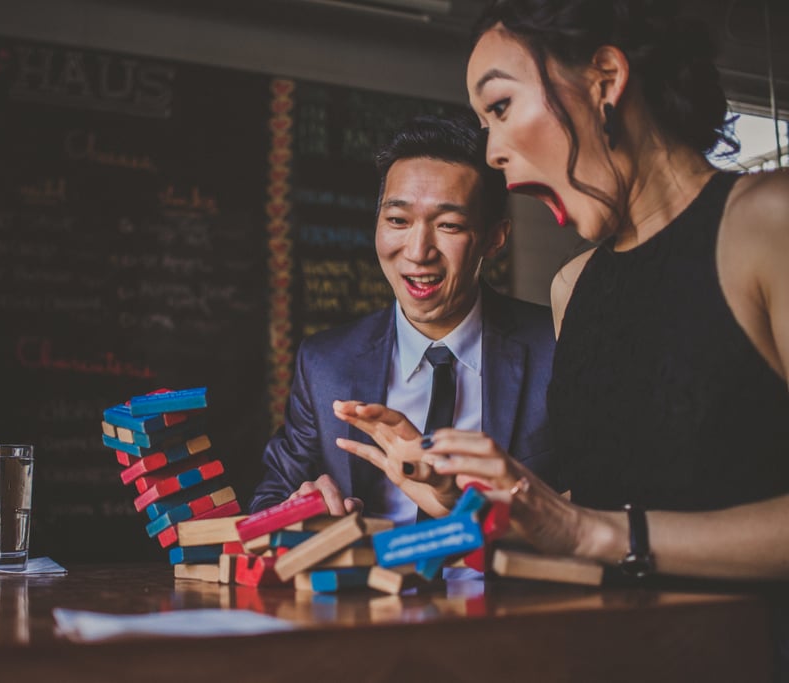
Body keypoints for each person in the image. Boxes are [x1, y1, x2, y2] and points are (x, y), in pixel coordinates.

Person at [336, 0, 789, 581]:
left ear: (606, 79)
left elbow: (596, 530)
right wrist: (462, 499)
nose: (493, 152)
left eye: (501, 107)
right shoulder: (572, 286)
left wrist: (588, 530)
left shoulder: (766, 222)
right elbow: (591, 513)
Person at [251, 111, 557, 524]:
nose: (417, 251)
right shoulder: (325, 363)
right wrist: (300, 509)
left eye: (448, 225)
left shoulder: (557, 346)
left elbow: (600, 505)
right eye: (397, 220)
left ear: (494, 238)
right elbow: (268, 500)